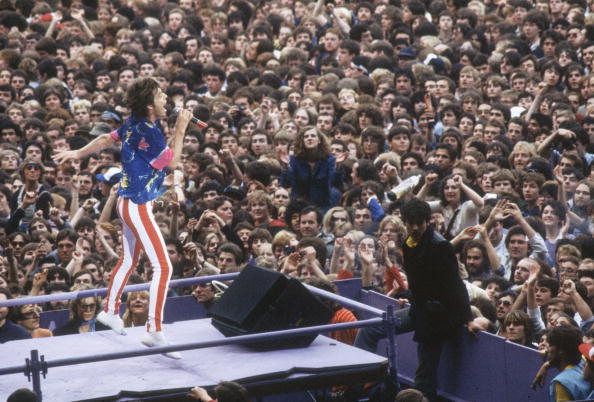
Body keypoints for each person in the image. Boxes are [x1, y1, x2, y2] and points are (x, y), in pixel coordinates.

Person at [54, 77, 193, 358]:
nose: (165, 97)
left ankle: (109, 310)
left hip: (127, 202)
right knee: (163, 267)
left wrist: (79, 152)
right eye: (160, 94)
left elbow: (107, 138)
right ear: (149, 105)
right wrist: (180, 130)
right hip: (137, 206)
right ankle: (154, 331)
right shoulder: (151, 132)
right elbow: (173, 163)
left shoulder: (134, 122)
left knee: (129, 260)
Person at [355, 199, 480, 401]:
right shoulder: (410, 243)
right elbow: (420, 280)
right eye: (410, 223)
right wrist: (408, 295)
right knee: (369, 330)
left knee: (424, 377)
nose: (414, 228)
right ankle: (362, 385)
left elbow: (455, 285)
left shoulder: (441, 246)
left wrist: (468, 319)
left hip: (439, 318)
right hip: (419, 310)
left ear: (427, 221)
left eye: (419, 223)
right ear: (404, 222)